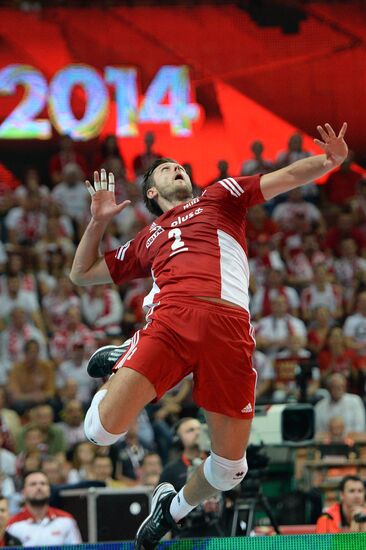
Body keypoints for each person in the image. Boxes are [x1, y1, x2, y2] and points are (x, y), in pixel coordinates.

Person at [70, 122, 348, 549]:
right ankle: (127, 354)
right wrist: (97, 222)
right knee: (100, 433)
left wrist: (329, 162)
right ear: (151, 192)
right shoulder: (148, 238)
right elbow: (81, 274)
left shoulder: (220, 197)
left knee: (230, 469)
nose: (178, 169)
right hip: (173, 322)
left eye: (180, 166)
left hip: (230, 331)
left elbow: (286, 177)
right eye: (166, 169)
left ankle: (173, 508)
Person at [6, 471, 82, 546]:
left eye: (43, 484)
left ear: (49, 490)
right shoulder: (12, 525)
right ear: (23, 492)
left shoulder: (66, 520)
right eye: (33, 484)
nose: (39, 487)